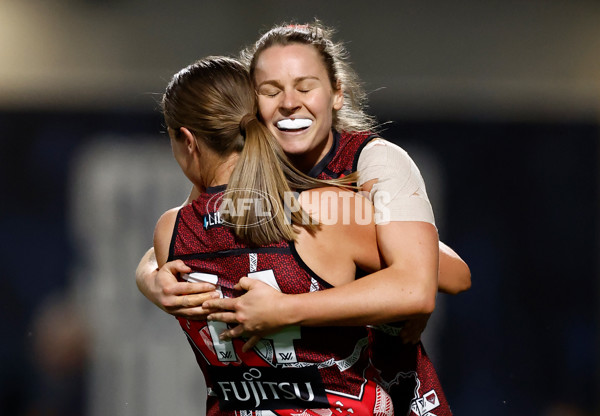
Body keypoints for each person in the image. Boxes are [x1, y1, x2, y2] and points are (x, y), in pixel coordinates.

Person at [138, 21, 469, 414]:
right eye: (271, 90)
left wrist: (287, 309)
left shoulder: (371, 163)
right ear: (250, 107)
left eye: (305, 86)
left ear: (337, 93)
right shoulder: (305, 195)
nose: (290, 102)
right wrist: (148, 279)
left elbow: (431, 281)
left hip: (391, 385)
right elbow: (190, 229)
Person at [154, 55, 400, 415]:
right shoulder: (326, 210)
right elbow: (433, 276)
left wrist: (145, 278)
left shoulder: (170, 232)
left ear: (188, 141)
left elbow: (209, 212)